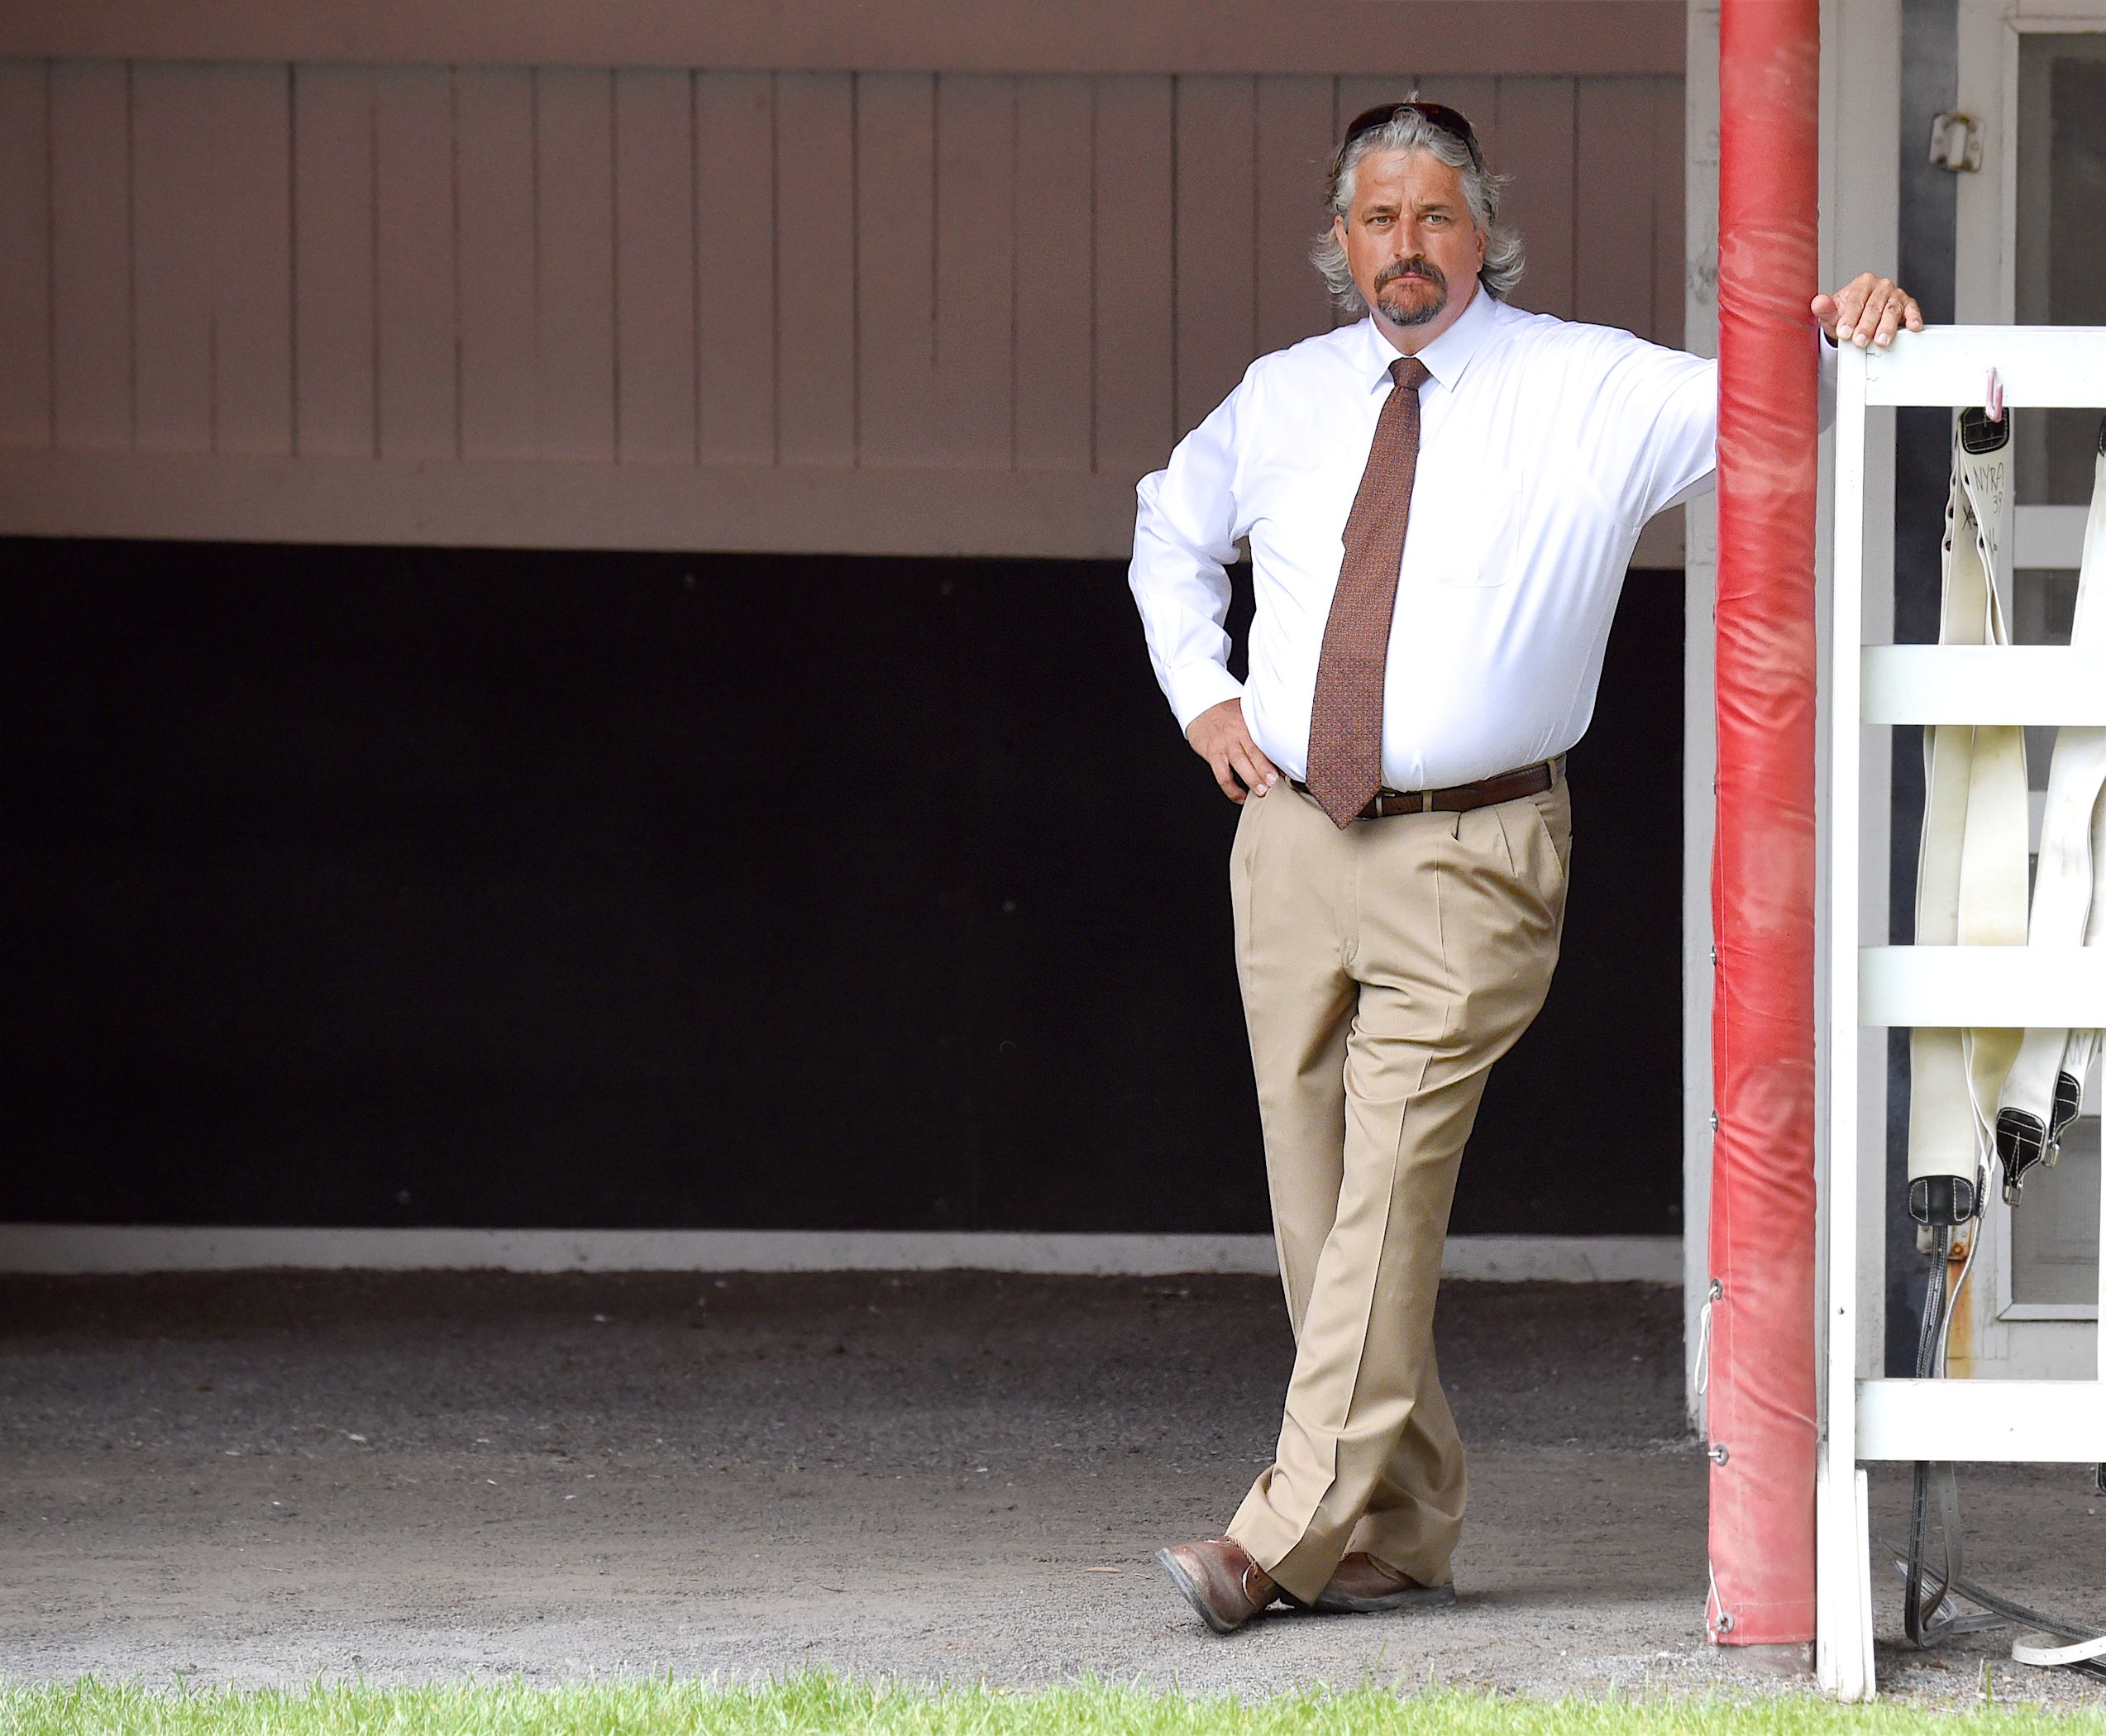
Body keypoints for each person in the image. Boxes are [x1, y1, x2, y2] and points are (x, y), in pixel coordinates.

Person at [1127, 98, 1920, 1634]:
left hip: (1473, 854)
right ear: (1339, 241)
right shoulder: (1285, 395)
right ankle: (1404, 1526)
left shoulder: (1587, 386)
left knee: (1385, 1193)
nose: (1404, 248)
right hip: (1291, 843)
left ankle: (1277, 1535)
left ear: (1482, 227)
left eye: (1433, 216)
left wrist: (1855, 327)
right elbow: (1170, 523)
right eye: (1377, 220)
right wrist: (1202, 693)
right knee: (1320, 1211)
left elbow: (1779, 398)